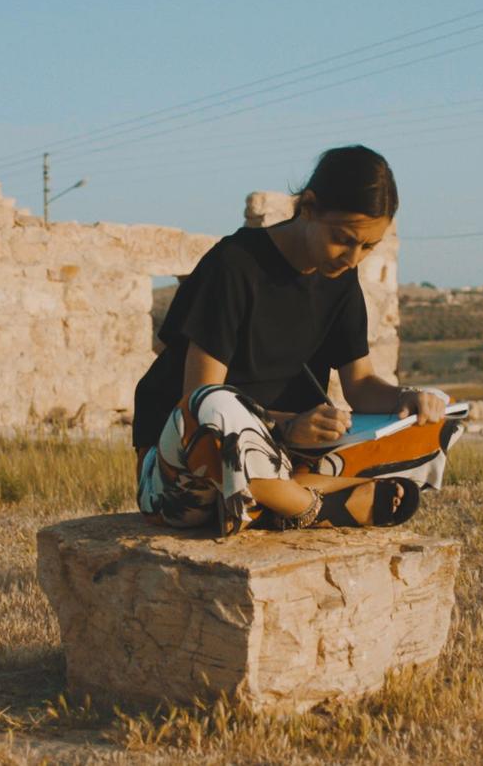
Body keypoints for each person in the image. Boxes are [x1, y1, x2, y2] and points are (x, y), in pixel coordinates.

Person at [131, 145, 464, 536]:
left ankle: (273, 502)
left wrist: (406, 398)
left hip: (282, 461)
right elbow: (198, 395)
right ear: (308, 207)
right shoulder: (235, 265)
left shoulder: (340, 279)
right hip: (188, 474)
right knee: (217, 406)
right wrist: (286, 428)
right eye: (343, 239)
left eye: (368, 246)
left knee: (434, 417)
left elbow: (360, 385)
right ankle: (312, 506)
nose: (353, 257)